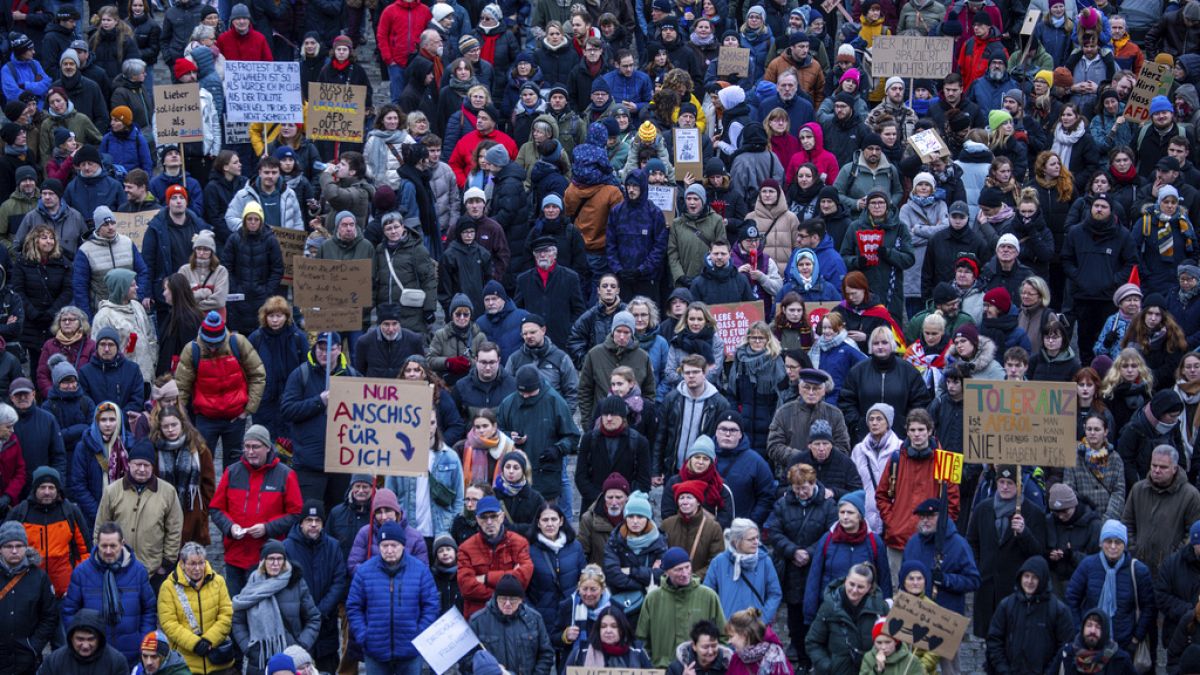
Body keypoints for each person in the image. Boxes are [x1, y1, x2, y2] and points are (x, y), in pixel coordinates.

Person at [209, 424, 303, 598]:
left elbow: (295, 513)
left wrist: (267, 528)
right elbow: (216, 508)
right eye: (247, 447)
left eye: (255, 447)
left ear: (267, 447)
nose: (250, 451)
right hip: (235, 555)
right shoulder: (232, 472)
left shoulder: (286, 474)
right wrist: (230, 527)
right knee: (236, 610)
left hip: (268, 559)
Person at [346, 520, 439, 675]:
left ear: (403, 545)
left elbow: (431, 605)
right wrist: (364, 635)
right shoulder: (364, 572)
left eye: (393, 545)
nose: (389, 550)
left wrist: (419, 633)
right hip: (375, 651)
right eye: (384, 545)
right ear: (379, 546)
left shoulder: (420, 571)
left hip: (410, 651)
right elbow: (354, 607)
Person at [173, 310, 265, 467]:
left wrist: (247, 410)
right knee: (203, 465)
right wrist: (181, 417)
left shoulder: (239, 343)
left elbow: (258, 375)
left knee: (235, 466)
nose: (213, 348)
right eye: (209, 344)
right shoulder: (192, 350)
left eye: (217, 344)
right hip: (205, 418)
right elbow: (181, 387)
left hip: (236, 417)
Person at [968, 465, 1049, 640]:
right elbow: (972, 541)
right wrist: (978, 567)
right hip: (987, 589)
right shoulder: (983, 509)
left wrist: (1024, 533)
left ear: (1018, 485)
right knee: (990, 640)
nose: (1005, 487)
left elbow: (1038, 553)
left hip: (1015, 589)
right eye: (1001, 482)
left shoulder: (1033, 513)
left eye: (1010, 483)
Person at [61, 522, 157, 666]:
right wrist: (81, 643)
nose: (108, 551)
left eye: (113, 546)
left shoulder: (138, 571)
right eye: (103, 546)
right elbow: (69, 611)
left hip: (131, 653)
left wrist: (142, 639)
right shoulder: (82, 572)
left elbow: (149, 609)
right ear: (97, 544)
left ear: (122, 544)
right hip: (93, 654)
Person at [94, 440, 183, 585]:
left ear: (153, 467)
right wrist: (102, 558)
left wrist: (166, 563)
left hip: (153, 570)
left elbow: (174, 529)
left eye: (146, 465)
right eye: (137, 464)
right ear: (129, 464)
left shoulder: (168, 492)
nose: (142, 469)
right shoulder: (112, 491)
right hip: (117, 567)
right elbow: (100, 526)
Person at [1066, 520, 1156, 657]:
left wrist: (1136, 638)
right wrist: (1080, 629)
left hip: (1124, 643)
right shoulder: (1088, 565)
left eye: (1118, 542)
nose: (1113, 546)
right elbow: (1072, 597)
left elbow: (1149, 607)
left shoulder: (1138, 571)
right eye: (1108, 541)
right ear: (1101, 543)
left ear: (1124, 545)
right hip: (1091, 641)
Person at [496, 366, 580, 510]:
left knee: (545, 522)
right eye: (522, 392)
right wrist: (510, 436)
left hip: (545, 478)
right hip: (513, 482)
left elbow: (572, 436)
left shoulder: (555, 401)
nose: (526, 396)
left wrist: (558, 449)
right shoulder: (508, 404)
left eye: (530, 392)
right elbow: (497, 432)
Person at [231, 541, 321, 675]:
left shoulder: (296, 583)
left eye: (279, 559)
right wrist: (248, 648)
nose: (275, 563)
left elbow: (313, 617)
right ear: (263, 561)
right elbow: (237, 621)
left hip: (291, 660)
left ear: (285, 561)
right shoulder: (252, 585)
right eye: (271, 559)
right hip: (260, 660)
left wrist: (301, 645)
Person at [283, 502, 348, 674]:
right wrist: (307, 612)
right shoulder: (287, 547)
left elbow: (339, 580)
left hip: (326, 623)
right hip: (299, 625)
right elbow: (285, 584)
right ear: (301, 523)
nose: (313, 524)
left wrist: (320, 611)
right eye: (309, 520)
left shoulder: (333, 546)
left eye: (317, 520)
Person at [637, 547, 727, 667]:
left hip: (699, 670)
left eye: (687, 567)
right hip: (663, 669)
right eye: (678, 570)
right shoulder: (653, 599)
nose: (685, 573)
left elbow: (723, 636)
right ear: (666, 572)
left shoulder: (709, 596)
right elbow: (642, 640)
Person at [8, 466, 90, 599]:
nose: (47, 492)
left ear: (58, 490)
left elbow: (85, 551)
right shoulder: (20, 512)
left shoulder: (70, 512)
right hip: (28, 591)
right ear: (35, 489)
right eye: (42, 487)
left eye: (51, 487)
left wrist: (77, 581)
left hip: (65, 592)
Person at [985, 555, 1076, 674]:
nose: (1029, 581)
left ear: (1042, 579)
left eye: (1034, 577)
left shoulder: (1059, 610)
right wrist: (1003, 669)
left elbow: (1065, 647)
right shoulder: (1006, 605)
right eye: (1026, 576)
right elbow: (994, 639)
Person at [157, 541, 236, 675]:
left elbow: (226, 615)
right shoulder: (168, 587)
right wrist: (195, 644)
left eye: (201, 563)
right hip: (185, 665)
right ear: (182, 564)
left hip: (217, 663)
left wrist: (209, 640)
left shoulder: (218, 581)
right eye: (193, 564)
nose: (198, 568)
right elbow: (168, 623)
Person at [1123, 444, 1200, 576]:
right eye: (1154, 465)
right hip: (1138, 567)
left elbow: (1193, 534)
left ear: (1175, 468)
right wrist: (1134, 550)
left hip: (1173, 572)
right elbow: (1127, 524)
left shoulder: (1191, 495)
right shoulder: (1138, 489)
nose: (1157, 470)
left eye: (1163, 467)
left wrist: (1174, 558)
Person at [456, 495, 534, 619]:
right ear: (477, 519)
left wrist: (486, 578)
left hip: (512, 616)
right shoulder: (465, 548)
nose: (489, 522)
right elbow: (466, 587)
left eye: (493, 516)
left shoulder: (519, 542)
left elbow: (522, 579)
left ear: (502, 517)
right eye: (484, 517)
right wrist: (504, 594)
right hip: (479, 617)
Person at [806, 562, 888, 675]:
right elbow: (813, 642)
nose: (854, 590)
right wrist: (827, 666)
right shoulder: (829, 606)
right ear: (846, 580)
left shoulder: (880, 607)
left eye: (860, 587)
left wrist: (883, 657)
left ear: (869, 587)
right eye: (851, 584)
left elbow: (893, 642)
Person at [0, 520, 57, 675]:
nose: (14, 551)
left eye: (19, 546)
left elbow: (49, 616)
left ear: (26, 547)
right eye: (8, 546)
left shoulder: (39, 577)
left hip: (27, 658)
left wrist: (34, 646)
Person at [469, 573, 555, 674]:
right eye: (503, 599)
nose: (507, 604)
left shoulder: (534, 619)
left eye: (513, 600)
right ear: (496, 599)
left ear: (521, 600)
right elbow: (468, 658)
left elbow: (546, 654)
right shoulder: (478, 621)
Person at [576, 396, 652, 508]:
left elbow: (644, 480)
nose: (609, 418)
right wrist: (601, 499)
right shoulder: (589, 439)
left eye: (613, 414)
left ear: (623, 417)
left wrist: (623, 498)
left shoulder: (639, 442)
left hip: (628, 506)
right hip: (594, 505)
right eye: (605, 414)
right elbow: (581, 477)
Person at [704, 518, 782, 624]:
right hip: (727, 629)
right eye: (751, 539)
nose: (756, 542)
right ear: (736, 542)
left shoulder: (764, 561)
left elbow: (775, 594)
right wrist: (718, 623)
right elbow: (708, 595)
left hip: (755, 629)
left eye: (757, 538)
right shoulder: (719, 562)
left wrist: (762, 620)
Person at [711, 413, 777, 525]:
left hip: (740, 531)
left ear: (741, 434)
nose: (727, 434)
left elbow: (767, 497)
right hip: (707, 527)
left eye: (733, 430)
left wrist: (750, 523)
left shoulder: (756, 462)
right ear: (716, 432)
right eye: (723, 429)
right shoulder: (703, 457)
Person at [1064, 412, 1126, 521]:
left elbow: (1119, 492)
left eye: (1097, 429)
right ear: (1084, 429)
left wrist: (1108, 519)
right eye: (1089, 429)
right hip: (1083, 520)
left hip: (1108, 521)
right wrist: (1085, 516)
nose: (1092, 433)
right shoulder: (1073, 457)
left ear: (1105, 431)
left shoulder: (1115, 458)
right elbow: (1069, 490)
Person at [1046, 482, 1103, 595]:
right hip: (1055, 587)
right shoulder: (1049, 521)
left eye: (1065, 512)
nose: (1061, 517)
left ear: (1074, 505)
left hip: (1083, 588)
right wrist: (1049, 555)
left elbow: (1096, 563)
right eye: (1057, 513)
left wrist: (1072, 555)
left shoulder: (1094, 525)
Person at [39, 609, 130, 675]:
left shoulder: (116, 661)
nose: (85, 646)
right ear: (71, 638)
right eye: (80, 639)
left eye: (91, 639)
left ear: (99, 639)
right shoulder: (54, 661)